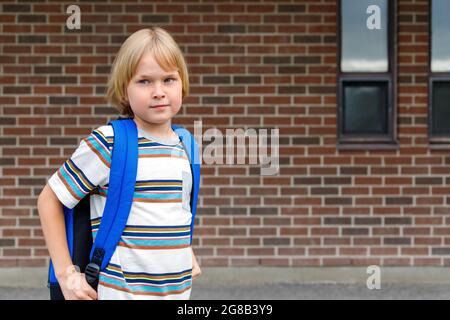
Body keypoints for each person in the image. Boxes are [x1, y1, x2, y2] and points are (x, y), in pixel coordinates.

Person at [37, 27, 201, 300]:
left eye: (169, 79)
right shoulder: (110, 142)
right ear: (124, 88)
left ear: (182, 82)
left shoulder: (186, 144)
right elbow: (49, 199)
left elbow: (172, 211)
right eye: (145, 81)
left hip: (177, 292)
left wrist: (184, 250)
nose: (159, 91)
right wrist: (66, 274)